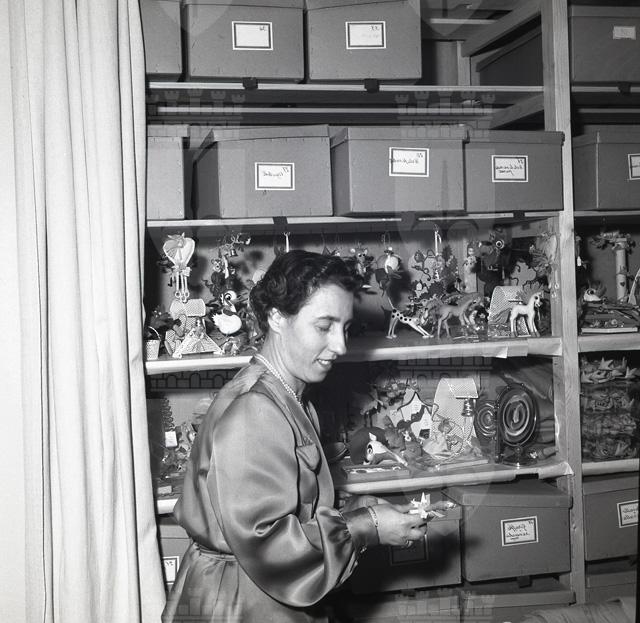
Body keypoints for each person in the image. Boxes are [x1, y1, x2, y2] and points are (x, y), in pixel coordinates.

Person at [162, 250, 432, 623]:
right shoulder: (255, 410)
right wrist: (366, 526)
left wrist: (354, 510)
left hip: (255, 588)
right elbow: (269, 544)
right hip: (243, 600)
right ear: (276, 317)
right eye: (324, 326)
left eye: (345, 328)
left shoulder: (286, 395)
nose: (340, 345)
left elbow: (286, 507)